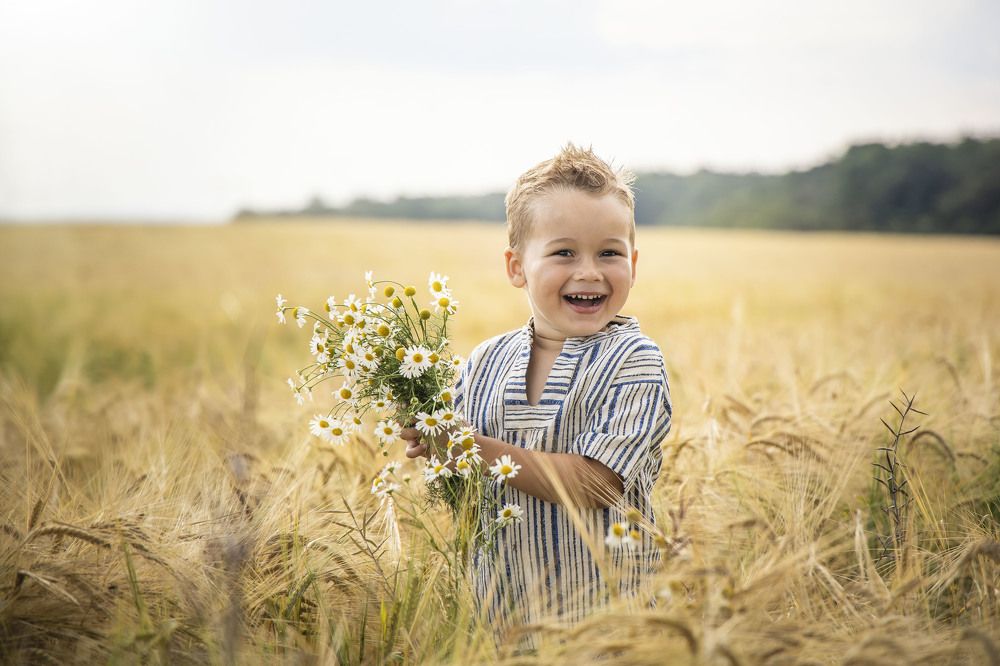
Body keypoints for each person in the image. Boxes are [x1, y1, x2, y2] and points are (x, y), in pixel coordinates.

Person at [402, 143, 673, 647]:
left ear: (634, 262)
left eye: (609, 253)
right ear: (516, 267)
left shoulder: (633, 360)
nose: (589, 271)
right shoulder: (484, 362)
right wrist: (433, 441)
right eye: (564, 252)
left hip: (609, 631)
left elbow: (596, 485)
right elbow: (467, 474)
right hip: (497, 625)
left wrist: (468, 447)